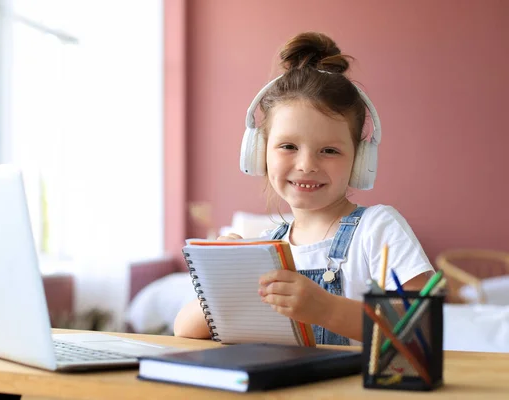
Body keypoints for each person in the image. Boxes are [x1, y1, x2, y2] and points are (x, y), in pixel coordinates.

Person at [174, 31, 434, 344]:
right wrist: (225, 281)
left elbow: (420, 324)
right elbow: (184, 330)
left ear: (360, 159)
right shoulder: (264, 250)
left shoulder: (377, 228)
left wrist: (326, 309)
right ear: (259, 153)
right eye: (288, 146)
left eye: (329, 150)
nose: (307, 165)